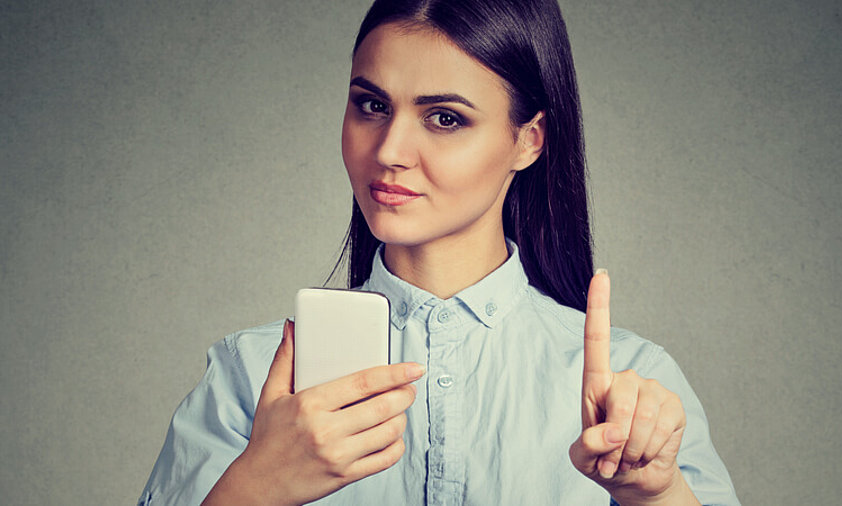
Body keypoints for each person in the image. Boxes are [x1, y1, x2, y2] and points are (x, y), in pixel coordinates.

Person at [139, 0, 739, 504]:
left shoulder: (633, 390)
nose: (390, 149)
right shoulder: (249, 375)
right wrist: (252, 488)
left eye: (445, 118)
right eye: (371, 105)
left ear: (528, 140)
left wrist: (656, 495)